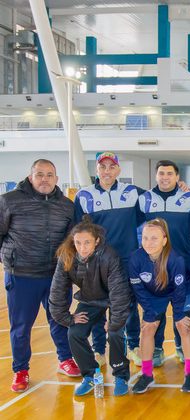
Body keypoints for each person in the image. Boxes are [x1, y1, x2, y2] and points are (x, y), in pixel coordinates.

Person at [0, 158, 80, 392]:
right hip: (22, 275)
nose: (44, 179)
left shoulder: (66, 205)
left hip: (56, 275)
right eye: (39, 174)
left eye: (49, 175)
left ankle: (65, 359)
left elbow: (70, 241)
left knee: (59, 320)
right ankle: (21, 370)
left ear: (56, 179)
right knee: (21, 327)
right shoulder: (9, 201)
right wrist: (9, 258)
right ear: (30, 176)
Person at [74, 151, 146, 367]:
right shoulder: (84, 196)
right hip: (97, 263)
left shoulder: (133, 192)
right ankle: (99, 350)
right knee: (99, 306)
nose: (107, 171)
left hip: (127, 260)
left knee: (129, 306)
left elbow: (157, 199)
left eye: (111, 166)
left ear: (118, 170)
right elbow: (78, 230)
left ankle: (133, 346)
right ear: (96, 170)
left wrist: (182, 188)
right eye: (102, 167)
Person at [49, 219, 131, 396]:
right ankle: (91, 375)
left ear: (97, 241)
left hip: (112, 298)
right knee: (75, 332)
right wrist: (67, 318)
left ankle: (121, 375)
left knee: (116, 333)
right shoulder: (67, 256)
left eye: (87, 242)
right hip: (90, 300)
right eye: (78, 242)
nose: (82, 247)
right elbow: (57, 291)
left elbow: (119, 293)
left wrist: (114, 322)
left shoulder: (110, 256)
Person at [139, 160, 190, 365]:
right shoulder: (144, 199)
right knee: (156, 311)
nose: (165, 177)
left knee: (181, 310)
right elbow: (136, 228)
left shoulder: (189, 198)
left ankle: (180, 346)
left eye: (169, 173)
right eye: (161, 173)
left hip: (182, 265)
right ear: (156, 176)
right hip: (153, 267)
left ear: (177, 177)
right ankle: (156, 349)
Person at [128, 219, 190, 393]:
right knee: (148, 329)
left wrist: (180, 314)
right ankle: (147, 374)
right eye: (145, 238)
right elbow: (138, 289)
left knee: (184, 327)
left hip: (180, 292)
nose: (148, 243)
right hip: (154, 294)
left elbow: (180, 291)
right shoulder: (135, 258)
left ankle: (189, 374)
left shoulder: (176, 259)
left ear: (164, 240)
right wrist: (150, 312)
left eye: (154, 238)